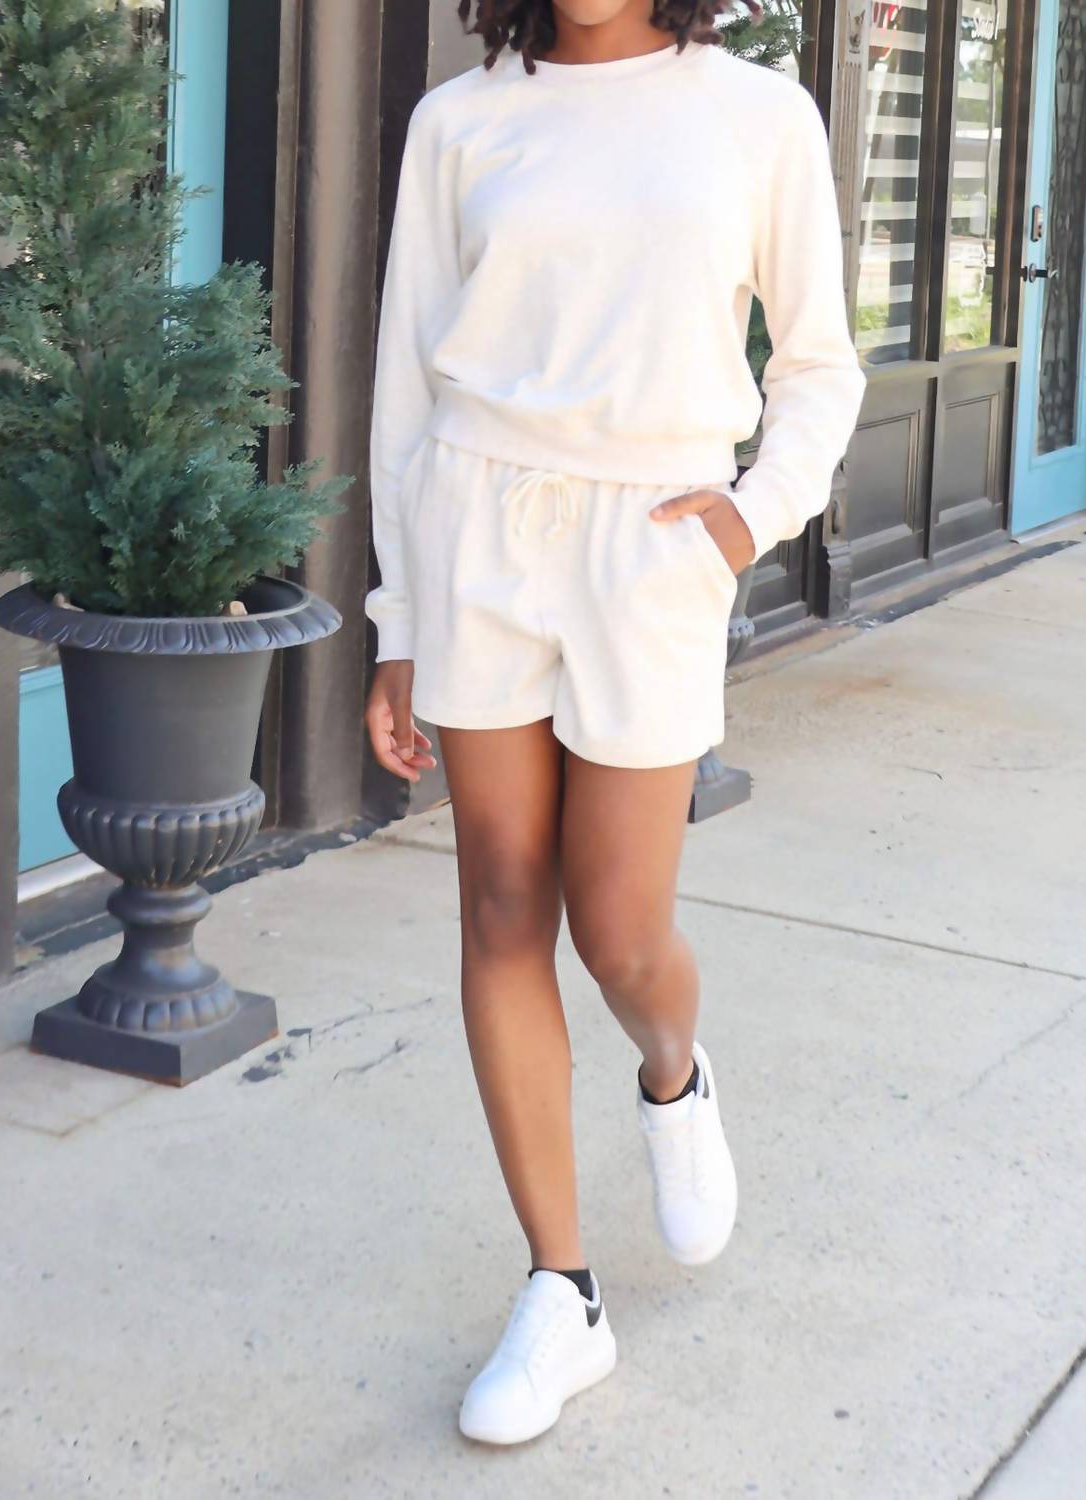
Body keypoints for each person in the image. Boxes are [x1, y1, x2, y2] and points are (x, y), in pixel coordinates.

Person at [363, 0, 865, 1445]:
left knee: (622, 930)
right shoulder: (461, 119)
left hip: (652, 540)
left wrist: (750, 520)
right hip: (478, 525)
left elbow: (819, 365)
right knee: (501, 903)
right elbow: (405, 387)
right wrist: (400, 620)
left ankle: (673, 1073)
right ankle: (563, 1291)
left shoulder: (756, 113)